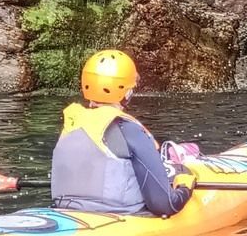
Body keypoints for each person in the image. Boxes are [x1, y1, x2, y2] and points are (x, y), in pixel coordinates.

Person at [50, 49, 192, 216]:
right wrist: (185, 185)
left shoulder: (71, 124)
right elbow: (165, 205)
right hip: (120, 216)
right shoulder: (128, 130)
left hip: (66, 212)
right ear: (127, 92)